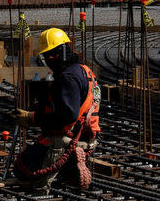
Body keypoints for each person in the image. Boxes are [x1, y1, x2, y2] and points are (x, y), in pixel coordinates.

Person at [10, 28, 100, 194]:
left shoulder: (67, 77)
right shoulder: (84, 70)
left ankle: (67, 165)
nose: (47, 62)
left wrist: (33, 117)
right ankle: (68, 165)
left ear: (54, 55)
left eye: (47, 57)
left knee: (21, 169)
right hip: (87, 137)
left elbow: (67, 116)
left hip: (67, 140)